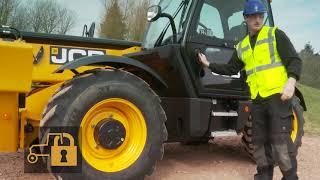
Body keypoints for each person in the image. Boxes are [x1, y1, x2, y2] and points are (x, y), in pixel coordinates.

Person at [197, 0, 302, 179]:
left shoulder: (275, 35)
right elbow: (231, 69)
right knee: (259, 143)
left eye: (260, 15)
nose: (257, 19)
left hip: (278, 97)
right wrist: (208, 64)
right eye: (253, 16)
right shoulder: (243, 46)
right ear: (245, 18)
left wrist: (291, 82)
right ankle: (263, 176)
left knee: (281, 143)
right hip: (258, 100)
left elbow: (294, 60)